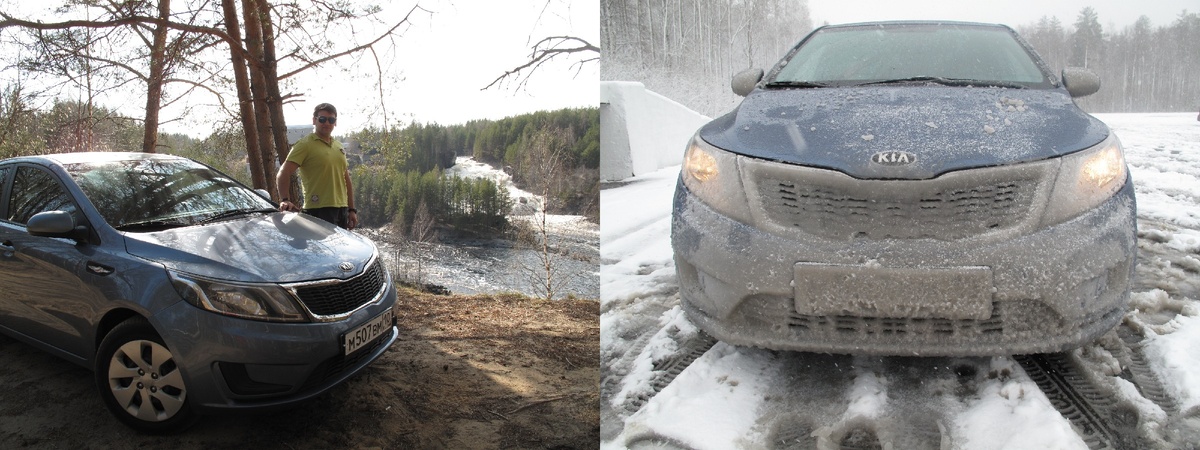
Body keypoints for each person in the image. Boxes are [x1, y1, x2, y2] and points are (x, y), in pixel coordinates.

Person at [276, 103, 359, 229]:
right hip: (318, 210)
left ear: (335, 123)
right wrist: (285, 199)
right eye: (322, 119)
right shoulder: (305, 145)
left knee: (339, 249)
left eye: (331, 120)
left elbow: (346, 179)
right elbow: (283, 172)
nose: (327, 123)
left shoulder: (339, 146)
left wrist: (352, 210)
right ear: (314, 120)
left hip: (342, 209)